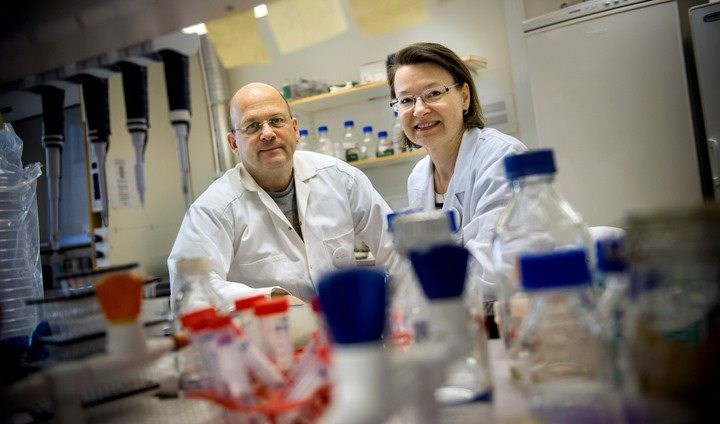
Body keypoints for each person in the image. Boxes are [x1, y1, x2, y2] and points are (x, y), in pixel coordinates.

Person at [167, 82, 402, 309]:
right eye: (252, 126)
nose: (267, 133)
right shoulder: (214, 209)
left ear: (295, 129)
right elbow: (189, 290)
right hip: (270, 340)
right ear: (233, 143)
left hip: (348, 334)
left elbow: (397, 250)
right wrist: (272, 298)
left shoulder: (341, 178)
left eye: (276, 121)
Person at [387, 42, 527, 293]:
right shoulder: (419, 178)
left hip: (509, 311)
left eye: (434, 93)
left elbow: (493, 268)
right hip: (455, 314)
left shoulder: (502, 157)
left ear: (464, 96)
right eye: (406, 100)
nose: (419, 110)